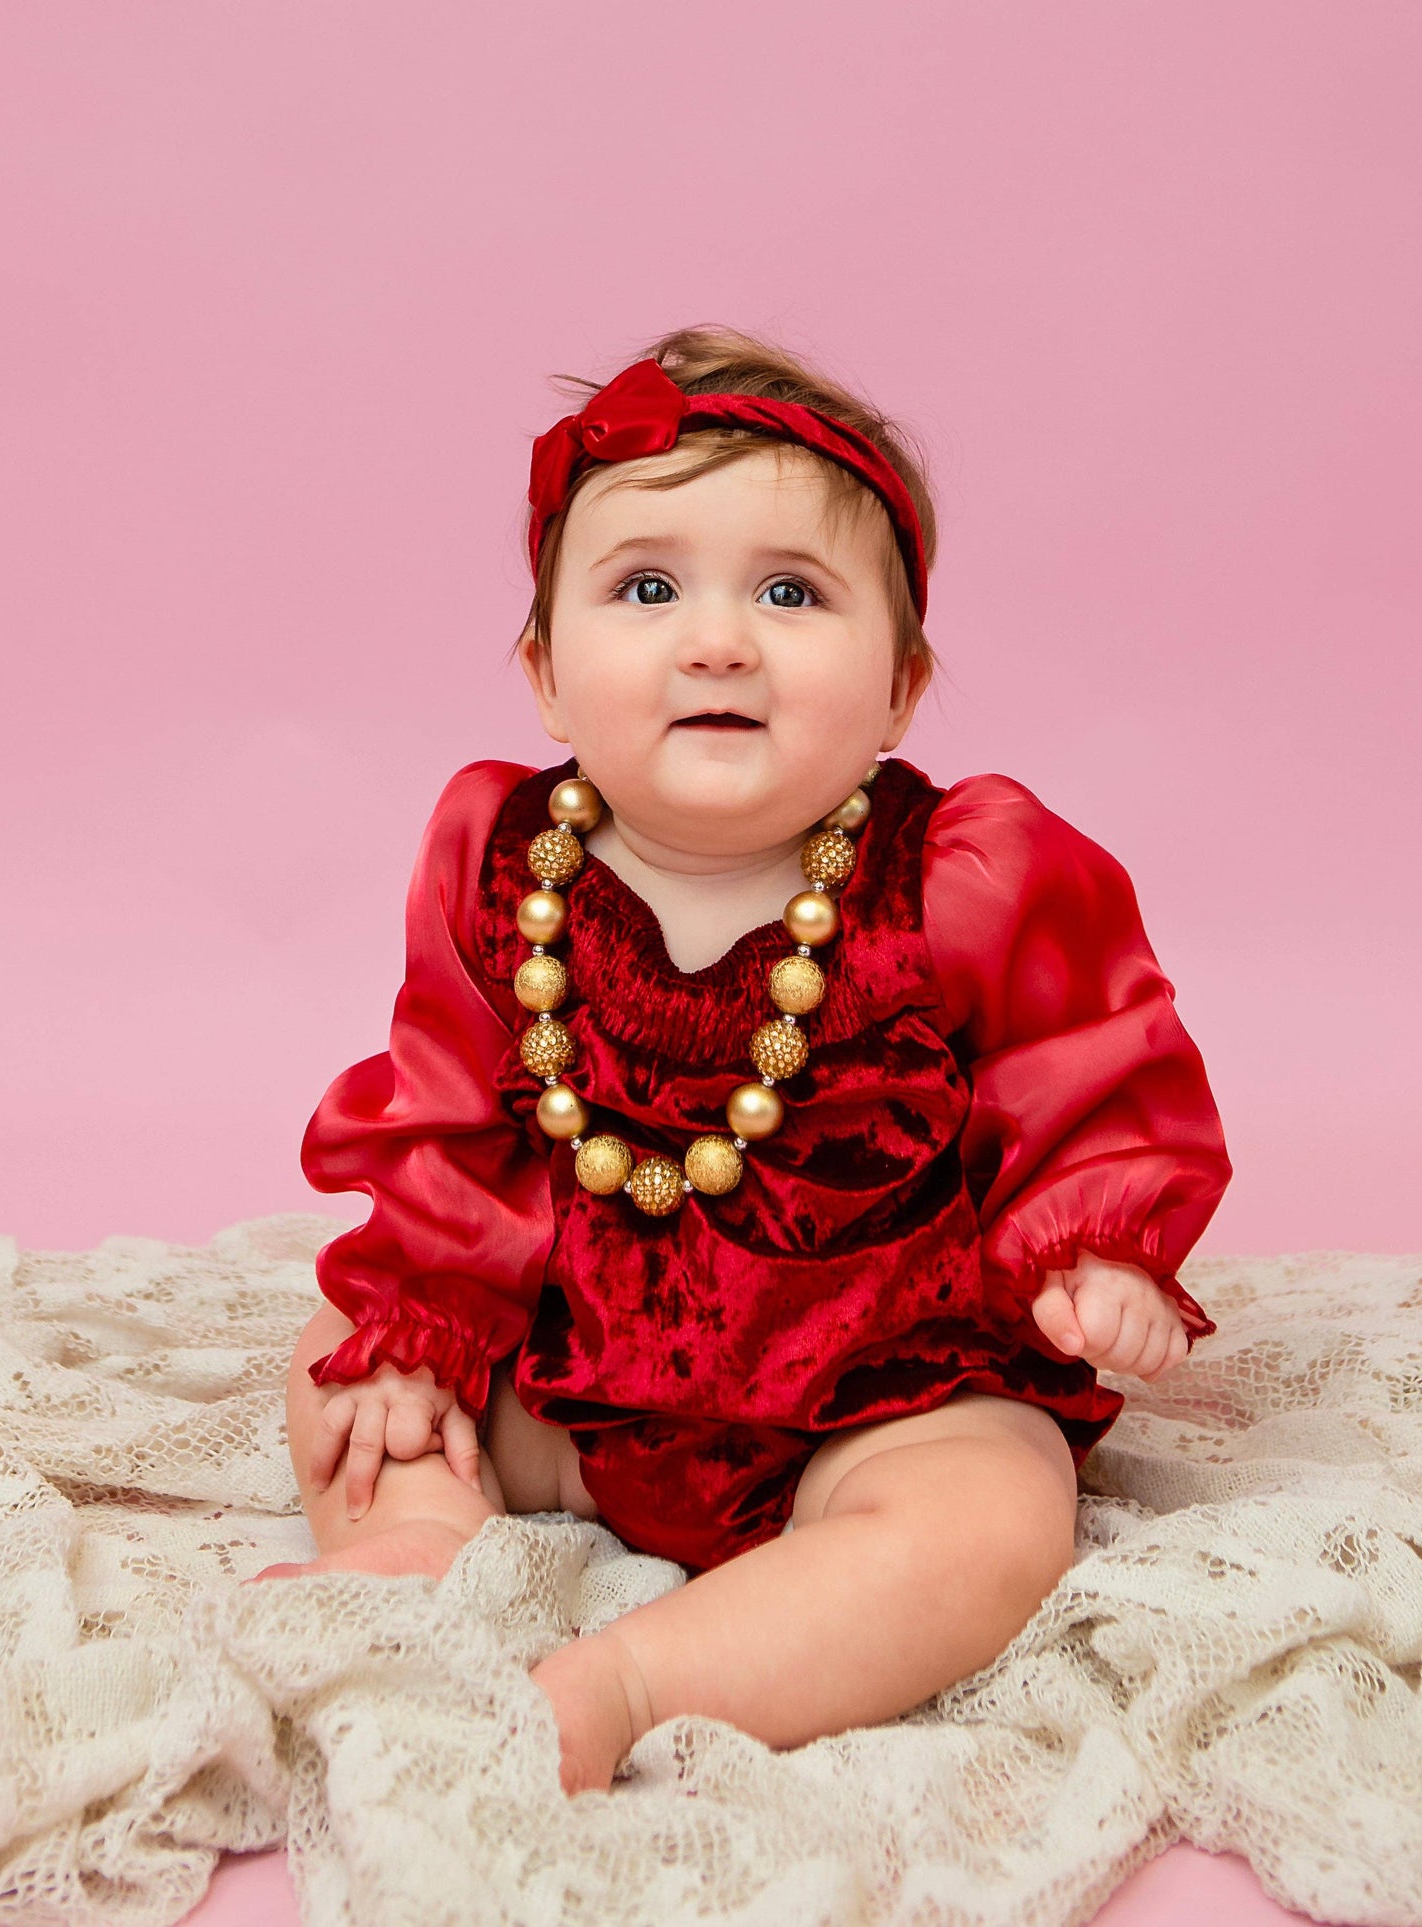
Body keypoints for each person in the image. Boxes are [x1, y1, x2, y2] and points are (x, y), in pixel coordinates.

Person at [246, 326, 1233, 1796]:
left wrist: (1097, 1249)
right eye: (646, 589)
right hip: (586, 1379)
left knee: (991, 1521)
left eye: (789, 593)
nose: (717, 639)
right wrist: (421, 1324)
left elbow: (1092, 1061)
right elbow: (443, 1119)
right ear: (545, 677)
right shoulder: (501, 865)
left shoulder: (961, 875)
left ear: (899, 689)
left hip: (879, 1390)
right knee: (339, 1377)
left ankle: (643, 1680)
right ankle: (416, 1548)